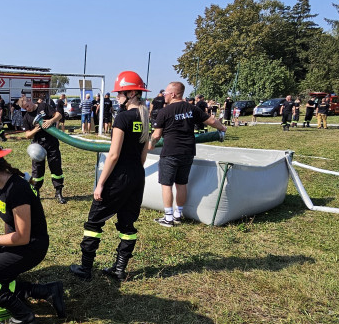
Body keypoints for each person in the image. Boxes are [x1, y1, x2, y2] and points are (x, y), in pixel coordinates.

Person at [0, 139, 65, 324]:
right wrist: (0, 249)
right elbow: (9, 222)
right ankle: (46, 291)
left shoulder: (17, 189)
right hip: (19, 245)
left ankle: (24, 316)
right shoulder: (0, 186)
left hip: (32, 247)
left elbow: (22, 236)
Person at [71, 71, 152, 281]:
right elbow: (144, 153)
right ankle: (119, 269)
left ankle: (85, 268)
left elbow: (113, 155)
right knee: (127, 225)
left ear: (132, 93)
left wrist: (100, 184)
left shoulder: (123, 118)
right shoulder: (144, 118)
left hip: (119, 177)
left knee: (93, 223)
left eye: (120, 93)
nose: (117, 97)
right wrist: (134, 173)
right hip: (137, 176)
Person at [150, 81, 226, 227]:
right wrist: (222, 128)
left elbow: (156, 135)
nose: (164, 95)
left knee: (166, 184)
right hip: (188, 151)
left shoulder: (164, 112)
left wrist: (151, 145)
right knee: (181, 183)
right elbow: (210, 120)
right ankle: (178, 214)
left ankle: (168, 217)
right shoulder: (192, 108)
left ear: (173, 94)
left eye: (166, 92)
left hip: (170, 152)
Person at [19, 95, 66, 203]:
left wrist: (51, 121)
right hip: (38, 146)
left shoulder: (44, 106)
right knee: (37, 172)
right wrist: (35, 130)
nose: (28, 109)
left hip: (52, 142)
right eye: (25, 108)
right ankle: (35, 192)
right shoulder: (26, 117)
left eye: (28, 106)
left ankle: (58, 193)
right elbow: (27, 135)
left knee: (56, 168)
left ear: (30, 100)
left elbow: (58, 115)